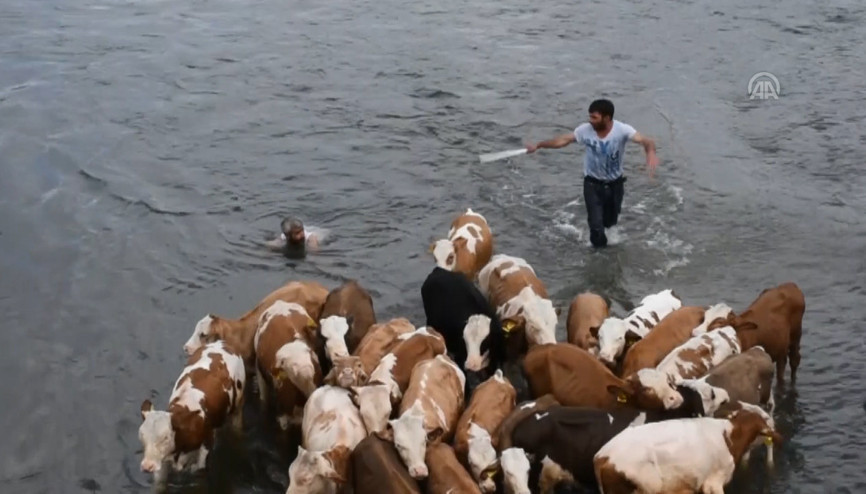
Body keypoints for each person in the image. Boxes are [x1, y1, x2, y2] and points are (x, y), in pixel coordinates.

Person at [526, 99, 659, 248]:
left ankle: (606, 258)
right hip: (592, 184)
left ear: (607, 118)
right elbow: (563, 140)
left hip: (615, 185)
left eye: (594, 118)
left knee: (610, 224)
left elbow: (646, 140)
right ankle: (599, 258)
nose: (591, 121)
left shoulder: (622, 130)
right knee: (596, 228)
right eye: (590, 117)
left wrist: (651, 152)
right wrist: (539, 145)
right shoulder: (585, 130)